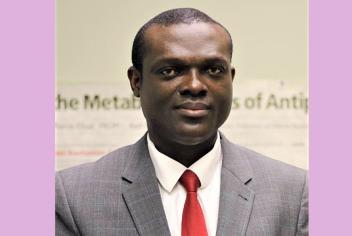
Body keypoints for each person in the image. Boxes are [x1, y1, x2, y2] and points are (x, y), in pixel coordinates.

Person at [56, 8, 308, 236]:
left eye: (213, 70)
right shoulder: (73, 197)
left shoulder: (295, 194)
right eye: (170, 71)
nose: (195, 86)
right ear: (136, 82)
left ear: (231, 78)